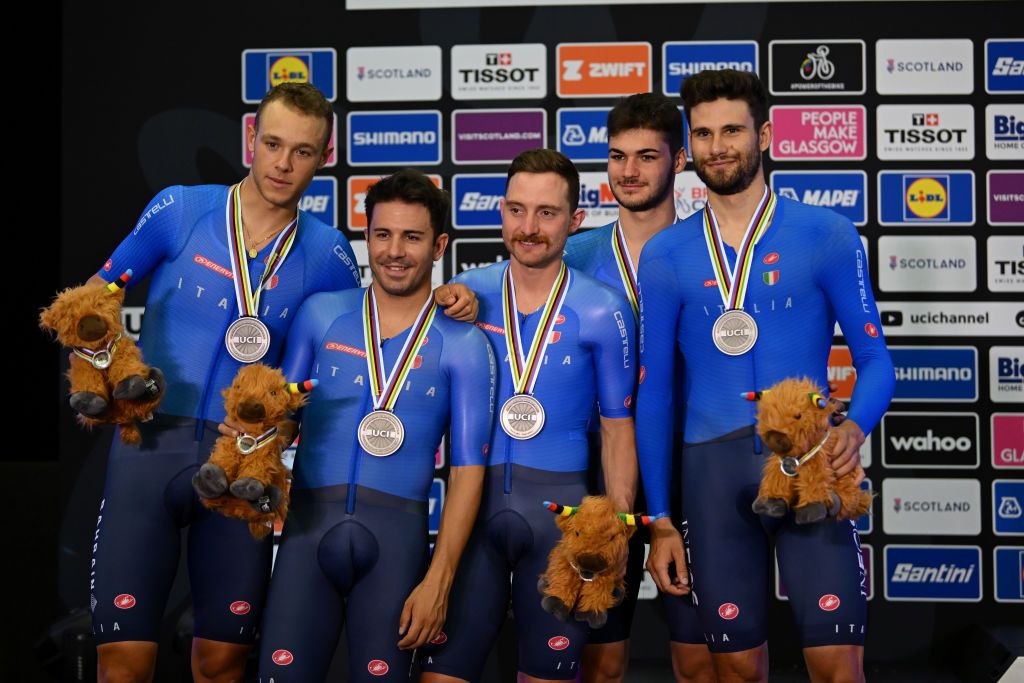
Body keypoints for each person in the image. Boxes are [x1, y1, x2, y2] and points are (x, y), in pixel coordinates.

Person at [84, 83, 475, 682]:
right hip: (148, 451)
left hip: (242, 465)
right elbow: (96, 297)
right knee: (123, 663)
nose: (283, 164)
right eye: (272, 144)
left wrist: (452, 295)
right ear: (251, 140)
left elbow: (375, 319)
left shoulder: (328, 254)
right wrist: (106, 367)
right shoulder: (182, 209)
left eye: (301, 151)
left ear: (323, 157)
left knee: (222, 661)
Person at [636, 69, 894, 683]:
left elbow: (877, 361)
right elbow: (654, 393)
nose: (717, 147)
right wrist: (661, 521)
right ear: (687, 147)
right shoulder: (666, 253)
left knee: (838, 671)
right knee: (737, 674)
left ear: (767, 134)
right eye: (702, 134)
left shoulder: (825, 234)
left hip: (812, 466)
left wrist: (854, 429)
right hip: (710, 476)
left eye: (731, 130)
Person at [255, 169, 493, 681]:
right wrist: (252, 444)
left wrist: (439, 581)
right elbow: (281, 423)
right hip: (304, 539)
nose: (395, 251)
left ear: (439, 245)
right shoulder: (322, 316)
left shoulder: (464, 343)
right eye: (383, 234)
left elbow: (468, 472)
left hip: (396, 547)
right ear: (368, 237)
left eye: (412, 237)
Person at [419, 149, 638, 683]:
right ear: (500, 212)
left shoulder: (603, 308)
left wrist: (614, 531)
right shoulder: (467, 297)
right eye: (517, 210)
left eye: (546, 213)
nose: (529, 228)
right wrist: (443, 300)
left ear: (576, 220)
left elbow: (616, 430)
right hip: (472, 519)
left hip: (558, 526)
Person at [562, 92, 713, 683]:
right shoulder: (573, 254)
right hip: (603, 466)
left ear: (678, 162)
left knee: (700, 659)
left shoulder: (709, 251)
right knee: (600, 659)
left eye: (647, 156)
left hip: (691, 462)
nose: (628, 171)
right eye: (617, 156)